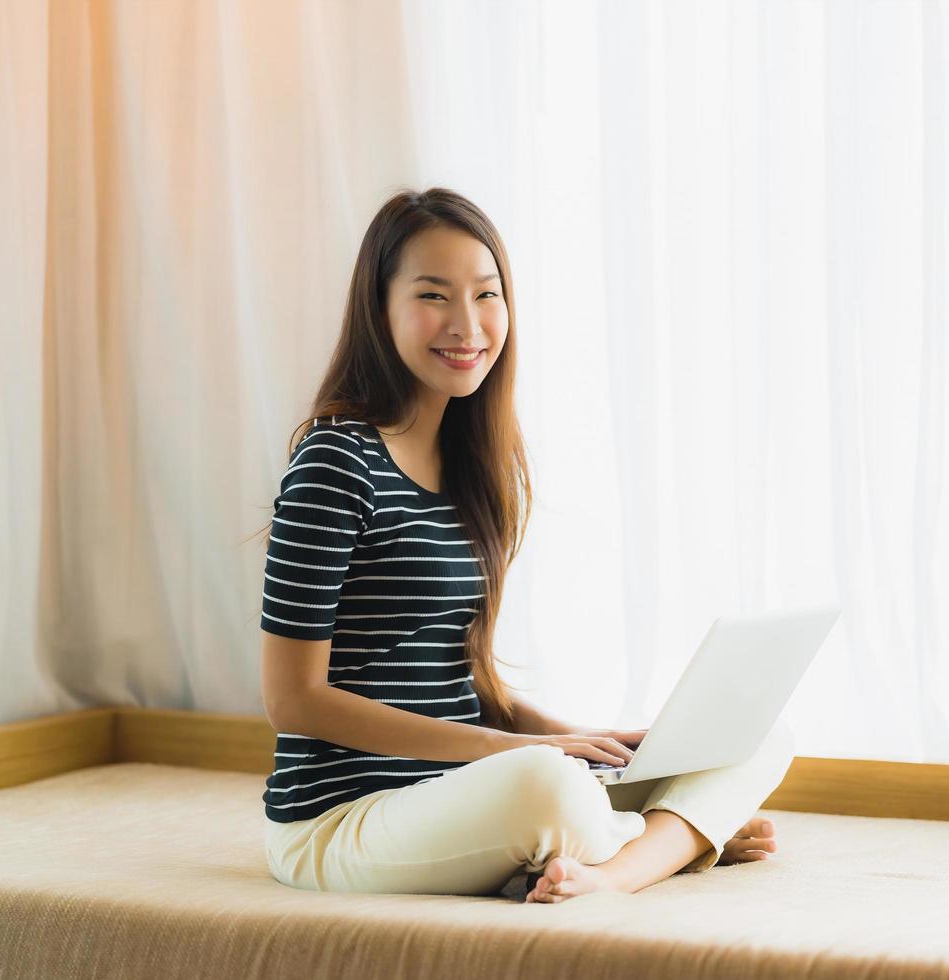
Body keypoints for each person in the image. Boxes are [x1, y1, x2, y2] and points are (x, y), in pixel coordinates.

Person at [256, 187, 795, 903]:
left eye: (487, 295)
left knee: (757, 732)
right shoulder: (335, 460)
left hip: (458, 791)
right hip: (339, 821)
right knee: (547, 786)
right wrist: (523, 753)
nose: (467, 324)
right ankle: (684, 839)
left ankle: (616, 862)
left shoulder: (470, 468)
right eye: (434, 296)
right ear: (378, 310)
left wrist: (592, 742)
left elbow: (465, 684)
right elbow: (294, 701)